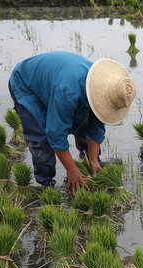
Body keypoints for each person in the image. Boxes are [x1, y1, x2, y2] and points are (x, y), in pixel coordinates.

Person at [8, 51, 136, 193]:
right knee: (42, 137)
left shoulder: (103, 87)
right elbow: (56, 134)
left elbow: (96, 126)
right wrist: (71, 169)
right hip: (26, 84)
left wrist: (93, 159)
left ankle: (89, 165)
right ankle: (46, 186)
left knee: (85, 120)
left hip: (58, 83)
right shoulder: (67, 91)